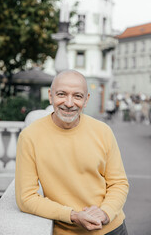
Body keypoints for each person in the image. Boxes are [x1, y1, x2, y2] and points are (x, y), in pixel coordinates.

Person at [15, 70, 129, 235]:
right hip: (66, 231)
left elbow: (118, 183)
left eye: (77, 96)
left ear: (86, 99)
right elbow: (26, 198)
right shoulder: (30, 136)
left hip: (112, 228)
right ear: (51, 95)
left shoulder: (103, 131)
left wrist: (105, 212)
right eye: (62, 94)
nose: (69, 103)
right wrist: (73, 215)